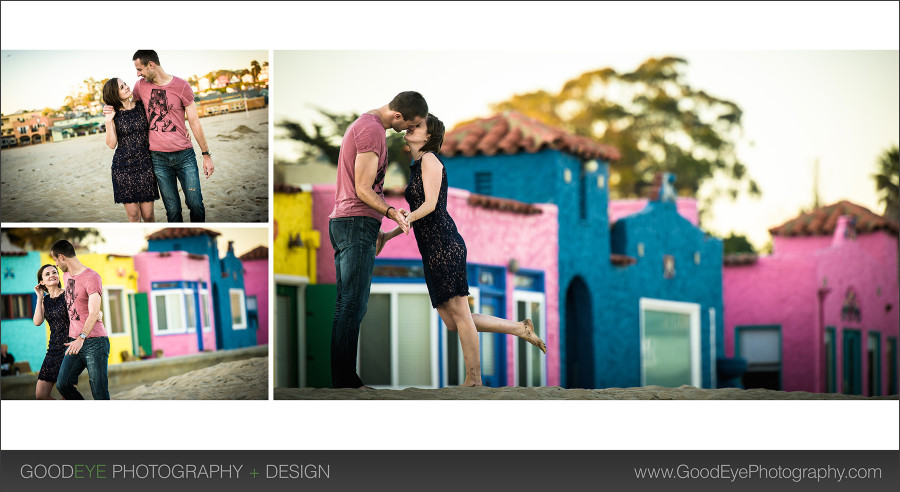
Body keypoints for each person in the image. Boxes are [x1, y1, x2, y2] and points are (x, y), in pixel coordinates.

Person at [378, 113, 547, 386]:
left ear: (429, 136)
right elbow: (417, 211)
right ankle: (519, 328)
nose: (411, 128)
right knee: (453, 320)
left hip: (445, 245)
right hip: (431, 247)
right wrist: (389, 234)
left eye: (418, 126)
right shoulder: (417, 164)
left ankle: (474, 378)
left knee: (459, 312)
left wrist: (406, 219)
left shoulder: (430, 160)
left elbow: (431, 205)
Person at [329, 91, 428, 388]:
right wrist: (390, 212)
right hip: (355, 222)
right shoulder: (372, 131)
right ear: (397, 116)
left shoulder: (367, 126)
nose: (410, 131)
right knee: (353, 304)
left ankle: (344, 378)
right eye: (411, 125)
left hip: (353, 223)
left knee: (348, 303)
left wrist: (382, 231)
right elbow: (362, 188)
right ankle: (345, 380)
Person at [126, 50, 213, 222]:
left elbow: (194, 122)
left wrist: (206, 154)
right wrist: (110, 108)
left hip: (185, 155)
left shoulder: (182, 86)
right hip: (158, 158)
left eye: (140, 69)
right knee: (172, 209)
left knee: (195, 204)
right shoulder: (140, 86)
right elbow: (130, 109)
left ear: (151, 65)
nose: (137, 74)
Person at [51, 240, 111, 400]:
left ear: (61, 257)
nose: (56, 265)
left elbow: (93, 312)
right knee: (63, 384)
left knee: (99, 391)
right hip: (74, 342)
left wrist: (81, 337)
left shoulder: (92, 277)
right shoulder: (66, 275)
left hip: (94, 342)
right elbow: (71, 300)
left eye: (55, 260)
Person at [32, 264, 103, 400]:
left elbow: (85, 306)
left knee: (65, 392)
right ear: (41, 282)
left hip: (70, 346)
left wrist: (98, 312)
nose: (52, 275)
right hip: (53, 349)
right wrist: (39, 297)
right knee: (41, 395)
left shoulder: (68, 292)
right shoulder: (44, 300)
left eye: (54, 272)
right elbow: (37, 322)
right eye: (47, 274)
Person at [102, 77, 159, 222]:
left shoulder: (141, 105)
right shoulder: (113, 114)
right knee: (134, 216)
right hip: (123, 168)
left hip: (145, 165)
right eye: (121, 87)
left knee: (148, 215)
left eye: (125, 84)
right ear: (114, 94)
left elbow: (158, 121)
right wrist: (108, 120)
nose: (127, 87)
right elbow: (111, 144)